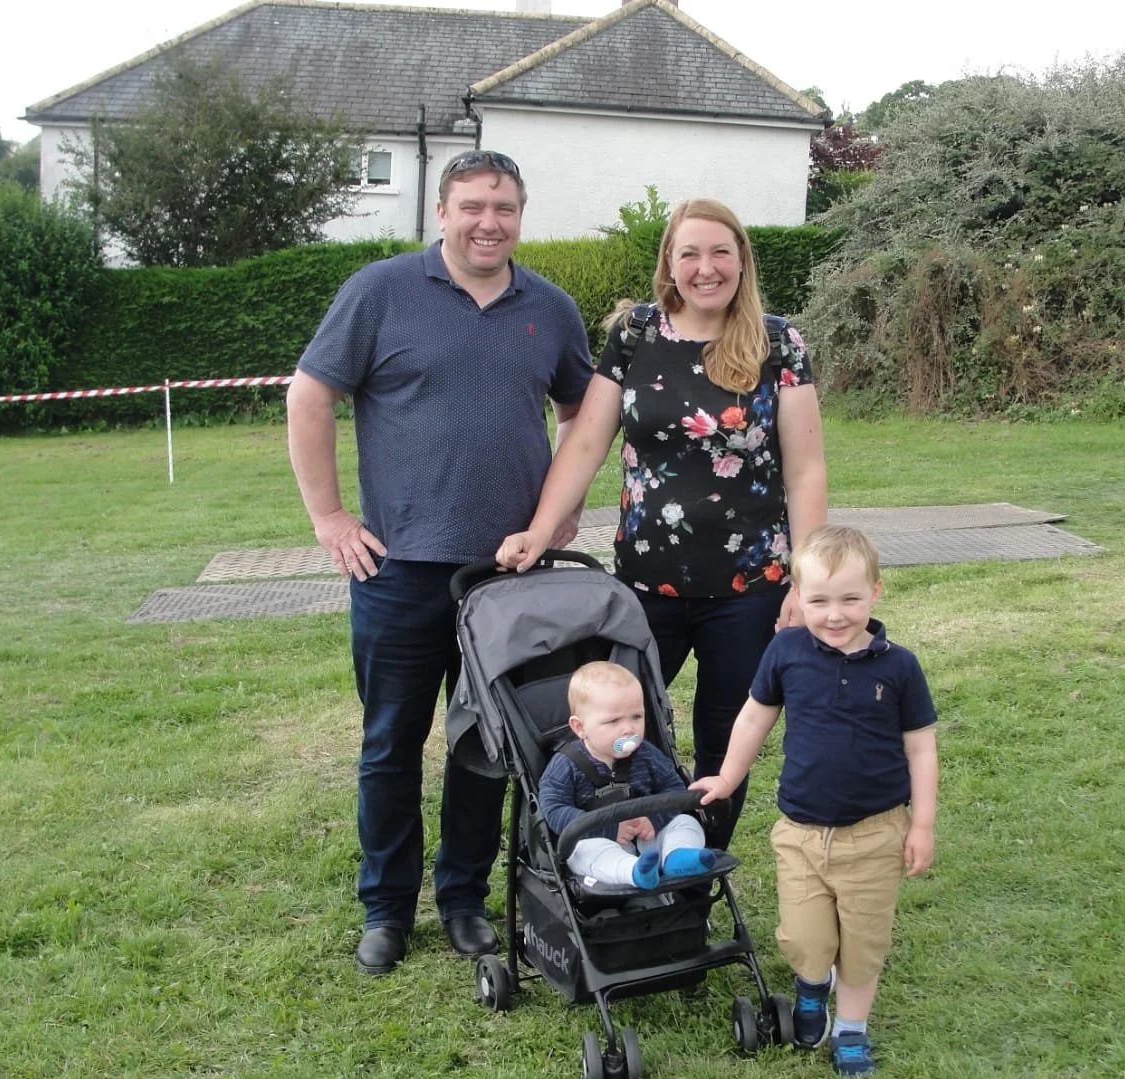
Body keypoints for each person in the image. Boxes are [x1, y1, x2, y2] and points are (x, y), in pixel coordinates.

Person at [286, 150, 593, 977]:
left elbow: (581, 412)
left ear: (520, 215)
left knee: (485, 746)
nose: (488, 221)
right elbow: (309, 396)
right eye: (472, 205)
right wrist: (328, 516)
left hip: (508, 578)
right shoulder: (379, 292)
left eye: (504, 207)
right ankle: (386, 910)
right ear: (441, 212)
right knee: (389, 745)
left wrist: (557, 511)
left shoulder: (552, 309)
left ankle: (462, 901)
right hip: (397, 570)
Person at [496, 198, 827, 850]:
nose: (706, 268)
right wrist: (540, 527)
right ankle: (613, 862)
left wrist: (806, 582)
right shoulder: (637, 335)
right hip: (645, 586)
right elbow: (587, 442)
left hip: (751, 588)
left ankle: (694, 879)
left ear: (742, 261)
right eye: (690, 254)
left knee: (724, 741)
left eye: (720, 253)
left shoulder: (778, 341)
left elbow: (806, 472)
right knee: (616, 730)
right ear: (669, 265)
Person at [692, 525, 939, 1079]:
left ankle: (851, 1029)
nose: (834, 614)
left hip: (875, 834)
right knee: (804, 939)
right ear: (797, 597)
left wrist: (921, 824)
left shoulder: (899, 667)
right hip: (800, 832)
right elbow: (756, 715)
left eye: (850, 599)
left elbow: (920, 748)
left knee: (863, 944)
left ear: (875, 592)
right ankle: (811, 985)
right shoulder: (785, 651)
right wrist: (728, 777)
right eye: (819, 600)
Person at [539, 662, 718, 889]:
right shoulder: (566, 765)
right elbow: (554, 809)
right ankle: (634, 872)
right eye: (613, 721)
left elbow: (674, 788)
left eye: (636, 717)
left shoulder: (647, 755)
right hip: (600, 841)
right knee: (582, 851)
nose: (628, 729)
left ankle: (677, 858)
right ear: (580, 727)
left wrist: (654, 820)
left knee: (685, 822)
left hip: (647, 836)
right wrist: (609, 829)